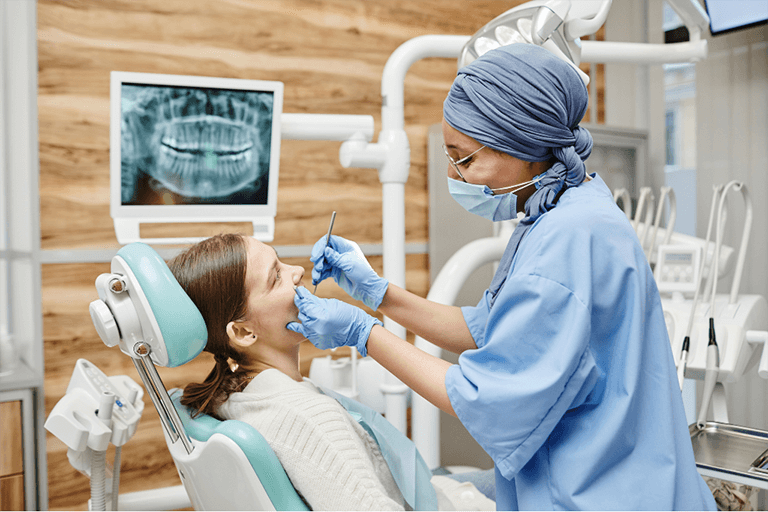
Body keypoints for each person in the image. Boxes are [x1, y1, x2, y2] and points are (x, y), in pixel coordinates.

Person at [288, 44, 717, 510]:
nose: (455, 175)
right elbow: (490, 328)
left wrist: (362, 333)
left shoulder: (565, 244)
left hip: (603, 492)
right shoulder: (561, 212)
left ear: (525, 146)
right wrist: (377, 292)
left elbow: (481, 396)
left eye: (465, 160)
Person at [167, 233, 495, 511]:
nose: (297, 271)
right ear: (242, 333)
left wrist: (378, 295)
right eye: (275, 277)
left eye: (281, 262)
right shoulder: (310, 419)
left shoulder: (234, 393)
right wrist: (363, 330)